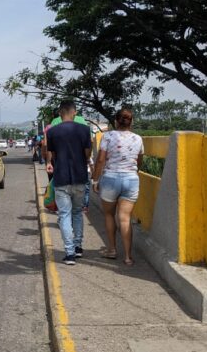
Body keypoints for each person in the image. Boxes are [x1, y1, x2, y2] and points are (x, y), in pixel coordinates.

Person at [92, 108, 144, 266]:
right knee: (125, 218)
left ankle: (112, 250)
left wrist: (95, 180)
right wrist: (133, 171)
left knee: (109, 215)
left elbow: (101, 160)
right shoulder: (138, 138)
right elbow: (139, 160)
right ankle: (128, 257)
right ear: (131, 122)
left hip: (110, 179)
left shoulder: (108, 136)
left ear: (115, 121)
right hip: (131, 179)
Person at [45, 101, 92, 265]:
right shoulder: (84, 129)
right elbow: (87, 153)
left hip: (61, 177)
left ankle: (70, 253)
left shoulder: (52, 131)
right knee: (77, 212)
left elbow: (53, 154)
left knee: (64, 215)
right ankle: (78, 247)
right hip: (80, 177)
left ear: (60, 113)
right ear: (74, 112)